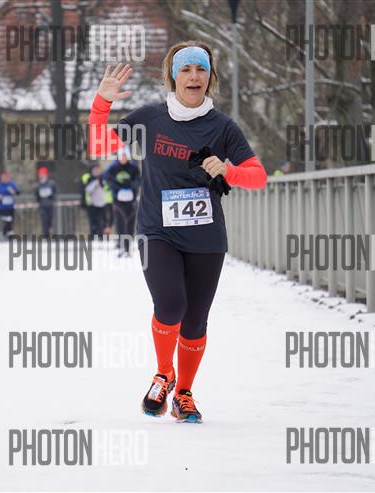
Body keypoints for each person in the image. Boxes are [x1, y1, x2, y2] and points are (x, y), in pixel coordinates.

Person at [88, 43, 267, 423]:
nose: (194, 77)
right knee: (170, 306)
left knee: (195, 321)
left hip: (206, 236)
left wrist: (229, 170)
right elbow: (99, 145)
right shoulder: (151, 118)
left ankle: (183, 393)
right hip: (158, 231)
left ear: (209, 78)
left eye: (201, 70)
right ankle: (162, 374)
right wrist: (102, 103)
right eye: (185, 70)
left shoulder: (222, 126)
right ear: (173, 77)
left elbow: (258, 176)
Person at [105, 147, 141, 256]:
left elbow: (139, 180)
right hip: (118, 201)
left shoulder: (133, 168)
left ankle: (127, 248)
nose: (123, 158)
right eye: (122, 156)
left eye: (125, 156)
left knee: (130, 224)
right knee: (120, 223)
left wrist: (130, 186)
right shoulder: (113, 168)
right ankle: (121, 246)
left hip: (131, 201)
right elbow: (108, 179)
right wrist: (118, 188)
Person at [80, 163, 111, 238]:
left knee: (103, 220)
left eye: (98, 170)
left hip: (103, 203)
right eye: (95, 170)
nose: (97, 171)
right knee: (93, 221)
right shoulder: (89, 178)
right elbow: (86, 190)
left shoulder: (103, 178)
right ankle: (93, 236)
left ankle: (101, 236)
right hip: (92, 203)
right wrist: (95, 184)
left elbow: (107, 188)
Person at [0, 171, 20, 239]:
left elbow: (18, 192)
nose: (5, 179)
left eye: (6, 178)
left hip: (10, 207)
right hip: (2, 207)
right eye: (3, 178)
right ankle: (6, 233)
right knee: (7, 220)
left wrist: (14, 192)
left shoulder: (12, 184)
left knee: (10, 221)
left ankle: (7, 234)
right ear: (1, 178)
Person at [34, 166, 57, 235]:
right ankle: (46, 235)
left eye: (43, 174)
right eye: (40, 174)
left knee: (49, 220)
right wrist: (38, 200)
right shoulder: (38, 185)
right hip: (42, 205)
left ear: (46, 175)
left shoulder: (51, 183)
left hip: (50, 205)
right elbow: (36, 194)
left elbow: (55, 192)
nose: (42, 176)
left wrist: (52, 197)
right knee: (44, 220)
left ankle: (49, 230)